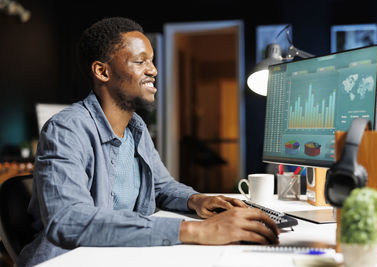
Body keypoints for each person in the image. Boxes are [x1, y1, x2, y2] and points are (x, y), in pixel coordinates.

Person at [17, 17, 279, 267]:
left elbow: (161, 187)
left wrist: (197, 200)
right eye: (140, 61)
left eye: (151, 61)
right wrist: (196, 230)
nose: (153, 70)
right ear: (102, 71)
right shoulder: (67, 129)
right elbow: (68, 221)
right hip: (67, 260)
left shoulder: (136, 128)